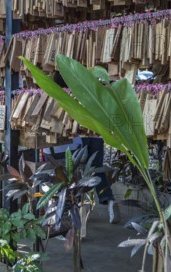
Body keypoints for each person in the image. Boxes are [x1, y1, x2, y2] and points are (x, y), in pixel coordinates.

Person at [42, 71, 121, 224]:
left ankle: (71, 205)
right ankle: (108, 199)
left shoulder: (51, 99)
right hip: (92, 138)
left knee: (74, 173)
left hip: (66, 151)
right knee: (97, 169)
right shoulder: (80, 96)